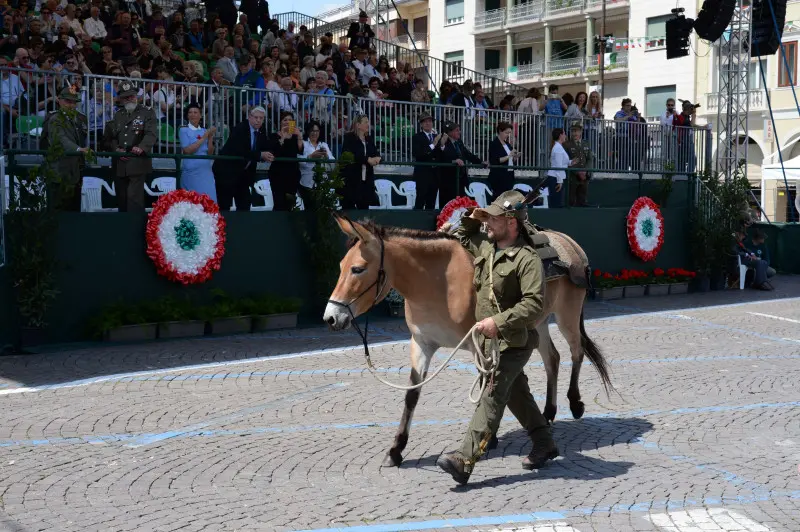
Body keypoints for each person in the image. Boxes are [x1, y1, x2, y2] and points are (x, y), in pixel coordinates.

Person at [437, 190, 558, 485]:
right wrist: (473, 215)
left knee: (492, 396)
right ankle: (544, 441)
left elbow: (533, 305)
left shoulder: (527, 260)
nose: (488, 223)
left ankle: (464, 460)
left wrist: (498, 321)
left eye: (495, 218)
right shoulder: (488, 247)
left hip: (514, 341)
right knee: (516, 392)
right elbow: (464, 237)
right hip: (490, 343)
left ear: (512, 223)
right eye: (488, 217)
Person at [102, 81, 158, 212]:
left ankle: (134, 229)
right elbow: (111, 138)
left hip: (137, 161)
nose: (129, 99)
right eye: (125, 97)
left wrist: (142, 147)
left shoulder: (147, 112)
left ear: (136, 96)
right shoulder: (118, 115)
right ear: (121, 98)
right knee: (122, 200)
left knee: (134, 200)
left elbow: (151, 134)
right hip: (120, 163)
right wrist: (116, 149)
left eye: (132, 96)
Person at [213, 106, 274, 211]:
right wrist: (260, 155)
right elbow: (240, 151)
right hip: (227, 172)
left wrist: (280, 140)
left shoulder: (262, 130)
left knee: (244, 205)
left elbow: (265, 146)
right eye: (256, 117)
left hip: (244, 174)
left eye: (261, 118)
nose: (258, 120)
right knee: (224, 205)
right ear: (249, 117)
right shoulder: (240, 128)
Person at [41, 85, 88, 211]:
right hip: (59, 171)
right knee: (58, 211)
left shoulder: (79, 119)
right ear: (59, 101)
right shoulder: (54, 118)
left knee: (74, 210)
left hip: (75, 172)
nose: (71, 105)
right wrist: (78, 149)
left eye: (74, 102)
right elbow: (61, 139)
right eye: (68, 101)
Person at [438, 121, 484, 206]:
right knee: (448, 205)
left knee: (460, 204)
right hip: (449, 181)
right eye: (457, 130)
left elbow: (467, 154)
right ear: (450, 132)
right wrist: (454, 161)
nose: (459, 132)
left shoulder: (459, 142)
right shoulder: (443, 143)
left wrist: (481, 161)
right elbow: (442, 158)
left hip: (461, 179)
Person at [339, 114, 380, 209]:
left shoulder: (369, 139)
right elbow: (351, 154)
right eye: (365, 122)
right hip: (351, 182)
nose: (368, 124)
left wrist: (378, 158)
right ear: (358, 125)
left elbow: (375, 152)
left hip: (365, 184)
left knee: (363, 212)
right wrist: (367, 159)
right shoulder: (349, 137)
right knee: (349, 211)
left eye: (368, 122)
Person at [179, 102, 217, 201]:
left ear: (200, 115)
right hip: (191, 172)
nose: (193, 114)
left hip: (206, 171)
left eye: (195, 112)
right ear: (187, 115)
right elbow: (187, 150)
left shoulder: (204, 130)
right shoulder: (183, 130)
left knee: (209, 200)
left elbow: (210, 153)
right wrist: (205, 136)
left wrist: (210, 137)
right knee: (193, 202)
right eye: (190, 112)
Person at [267, 111, 304, 211]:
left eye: (290, 120)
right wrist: (283, 137)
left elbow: (300, 151)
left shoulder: (295, 137)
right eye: (285, 120)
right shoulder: (273, 136)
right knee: (279, 203)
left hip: (293, 174)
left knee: (290, 203)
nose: (287, 122)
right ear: (280, 122)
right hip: (277, 174)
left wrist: (299, 136)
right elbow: (275, 151)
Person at [299, 120, 334, 207]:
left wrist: (326, 156)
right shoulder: (303, 144)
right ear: (308, 131)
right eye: (312, 131)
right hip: (306, 184)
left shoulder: (324, 145)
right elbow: (299, 161)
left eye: (317, 131)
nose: (315, 133)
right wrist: (311, 157)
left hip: (322, 184)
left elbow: (333, 164)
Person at [412, 112, 443, 210]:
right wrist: (434, 144)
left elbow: (440, 155)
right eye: (425, 122)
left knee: (432, 201)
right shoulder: (417, 137)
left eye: (430, 121)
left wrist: (442, 145)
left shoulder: (436, 136)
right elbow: (418, 153)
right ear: (421, 124)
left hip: (434, 174)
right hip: (422, 174)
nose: (428, 123)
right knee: (420, 199)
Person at [562, 123, 592, 207]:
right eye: (572, 131)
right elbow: (565, 161)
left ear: (581, 132)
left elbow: (590, 159)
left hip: (584, 176)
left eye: (576, 131)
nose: (574, 133)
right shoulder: (566, 145)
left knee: (583, 199)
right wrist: (577, 172)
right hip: (572, 176)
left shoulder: (586, 144)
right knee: (571, 200)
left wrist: (586, 170)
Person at [488, 121, 520, 199]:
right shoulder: (494, 144)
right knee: (499, 197)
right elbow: (495, 160)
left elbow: (510, 160)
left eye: (509, 133)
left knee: (507, 198)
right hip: (499, 176)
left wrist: (515, 157)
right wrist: (509, 156)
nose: (507, 135)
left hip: (509, 175)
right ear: (500, 131)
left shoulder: (507, 144)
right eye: (506, 133)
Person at [543, 128, 571, 208]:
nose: (565, 136)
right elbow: (558, 166)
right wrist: (560, 181)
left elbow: (561, 162)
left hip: (556, 177)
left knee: (556, 202)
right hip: (556, 178)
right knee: (556, 203)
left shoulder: (558, 146)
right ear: (560, 135)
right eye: (564, 134)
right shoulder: (558, 148)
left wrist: (570, 162)